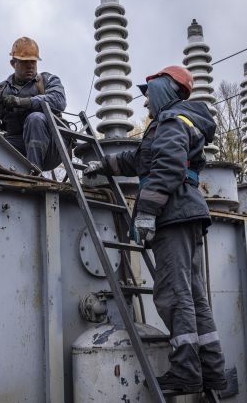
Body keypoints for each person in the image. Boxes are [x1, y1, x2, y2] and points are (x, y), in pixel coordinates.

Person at [84, 66, 227, 394]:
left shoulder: (171, 122)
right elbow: (141, 159)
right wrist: (104, 165)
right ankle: (212, 371)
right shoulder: (178, 123)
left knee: (173, 294)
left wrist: (146, 213)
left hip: (173, 214)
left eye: (148, 95)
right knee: (193, 295)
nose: (145, 104)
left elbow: (167, 168)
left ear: (163, 89)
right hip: (187, 212)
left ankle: (186, 372)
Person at [0, 37, 67, 171]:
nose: (30, 66)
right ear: (13, 63)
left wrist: (24, 102)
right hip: (20, 143)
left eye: (33, 62)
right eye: (25, 62)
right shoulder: (1, 90)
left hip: (52, 146)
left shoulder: (47, 80)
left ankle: (34, 174)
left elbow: (59, 100)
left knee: (35, 118)